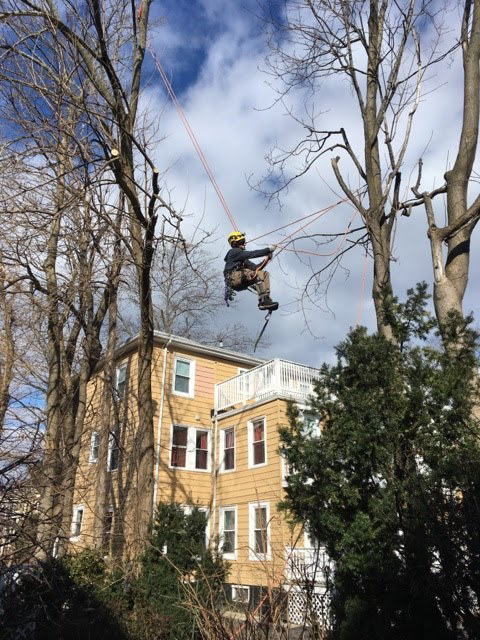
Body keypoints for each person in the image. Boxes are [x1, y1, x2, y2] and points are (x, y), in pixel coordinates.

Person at [224, 231, 279, 311]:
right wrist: (268, 249)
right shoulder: (234, 251)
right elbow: (252, 254)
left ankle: (265, 299)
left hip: (240, 281)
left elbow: (256, 268)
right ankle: (263, 300)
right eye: (242, 242)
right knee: (252, 273)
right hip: (233, 277)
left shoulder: (243, 259)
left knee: (264, 274)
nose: (245, 243)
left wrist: (267, 258)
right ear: (235, 243)